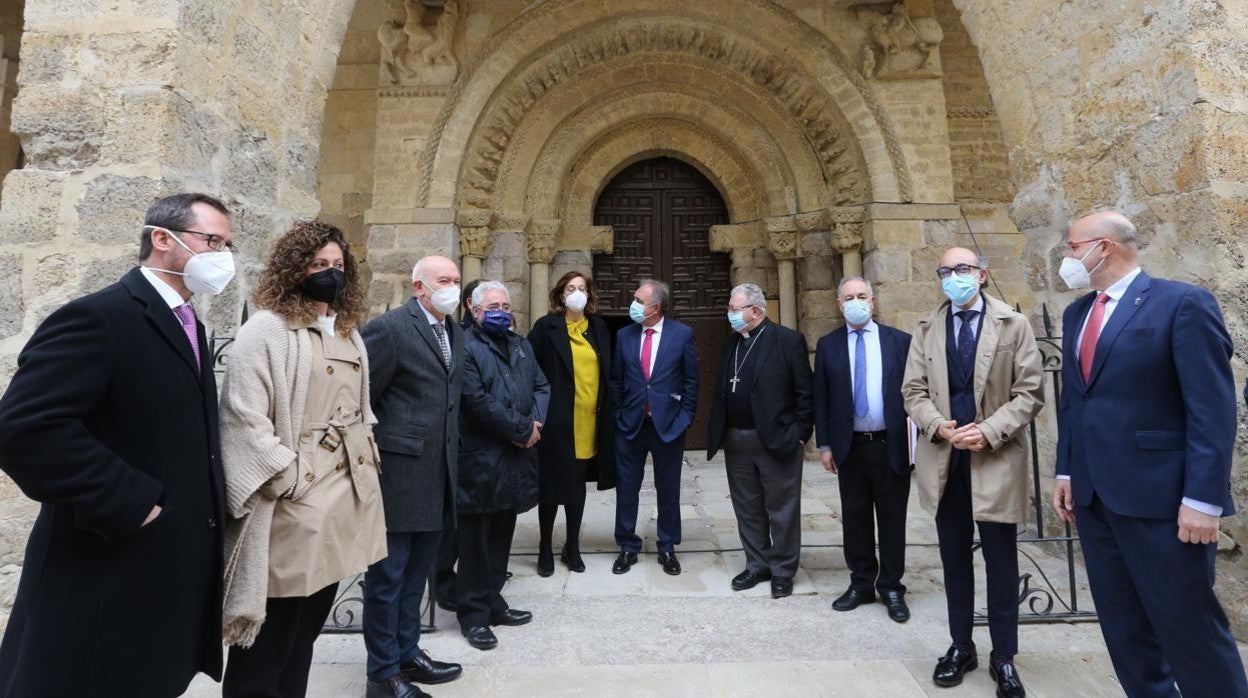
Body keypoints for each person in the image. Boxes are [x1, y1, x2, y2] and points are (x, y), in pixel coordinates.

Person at [0, 193, 233, 697]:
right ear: (162, 239)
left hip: (163, 569)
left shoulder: (190, 323)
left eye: (227, 244)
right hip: (106, 561)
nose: (223, 256)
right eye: (211, 240)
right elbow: (25, 427)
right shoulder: (100, 317)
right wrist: (132, 501)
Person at [1053, 211, 1248, 697]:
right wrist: (1066, 471)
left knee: (1189, 629)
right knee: (1125, 631)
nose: (1067, 257)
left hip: (1164, 504)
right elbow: (1077, 401)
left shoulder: (1181, 304)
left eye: (1073, 247)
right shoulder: (1077, 313)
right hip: (1097, 501)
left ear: (1105, 247)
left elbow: (1212, 410)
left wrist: (1203, 501)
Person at [218, 220, 388, 697]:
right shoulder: (266, 331)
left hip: (344, 497)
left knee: (307, 635)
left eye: (337, 265)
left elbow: (362, 407)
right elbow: (242, 421)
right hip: (293, 503)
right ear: (295, 270)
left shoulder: (348, 332)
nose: (329, 274)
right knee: (271, 638)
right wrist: (287, 477)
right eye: (318, 265)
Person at [902, 247, 1043, 698]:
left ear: (982, 275)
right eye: (945, 271)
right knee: (954, 560)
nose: (952, 277)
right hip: (946, 457)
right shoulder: (927, 326)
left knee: (1001, 562)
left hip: (995, 456)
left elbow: (1029, 392)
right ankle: (961, 646)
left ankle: (1004, 656)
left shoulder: (1012, 324)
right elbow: (912, 389)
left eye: (961, 269)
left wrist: (988, 431)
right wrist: (936, 424)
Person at [360, 256, 465, 697]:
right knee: (388, 579)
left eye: (457, 280)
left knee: (418, 573)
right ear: (419, 287)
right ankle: (382, 674)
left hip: (438, 474)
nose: (453, 287)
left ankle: (407, 653)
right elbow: (362, 397)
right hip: (399, 474)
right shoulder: (391, 328)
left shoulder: (453, 330)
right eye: (444, 280)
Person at [813, 277, 913, 622]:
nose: (856, 302)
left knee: (892, 518)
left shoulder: (899, 341)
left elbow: (915, 394)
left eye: (862, 296)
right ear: (839, 304)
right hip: (850, 447)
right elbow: (821, 398)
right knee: (854, 519)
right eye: (848, 297)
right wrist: (825, 444)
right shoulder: (828, 345)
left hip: (891, 444)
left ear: (873, 301)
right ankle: (861, 583)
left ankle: (891, 587)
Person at [456, 281, 549, 650]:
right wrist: (520, 428)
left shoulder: (521, 345)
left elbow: (542, 386)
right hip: (480, 459)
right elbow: (475, 400)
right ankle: (473, 615)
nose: (502, 311)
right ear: (475, 310)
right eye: (493, 305)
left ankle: (494, 601)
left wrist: (534, 425)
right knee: (475, 541)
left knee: (501, 535)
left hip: (514, 459)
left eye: (506, 305)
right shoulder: (466, 346)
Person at [706, 283, 812, 599]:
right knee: (747, 507)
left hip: (776, 440)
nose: (730, 314)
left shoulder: (786, 340)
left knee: (782, 509)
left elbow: (805, 393)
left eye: (734, 308)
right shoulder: (733, 344)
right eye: (729, 308)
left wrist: (798, 436)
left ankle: (782, 570)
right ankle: (757, 564)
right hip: (737, 439)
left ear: (755, 310)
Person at [528, 271, 616, 576]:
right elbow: (530, 372)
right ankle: (544, 548)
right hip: (556, 421)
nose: (576, 292)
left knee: (577, 486)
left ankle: (572, 546)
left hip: (589, 420)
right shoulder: (546, 327)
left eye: (582, 288)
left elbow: (607, 372)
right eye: (570, 288)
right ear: (560, 295)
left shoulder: (599, 327)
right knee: (551, 486)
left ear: (589, 295)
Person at [434, 278, 480, 613]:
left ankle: (474, 574)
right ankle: (442, 581)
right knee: (450, 520)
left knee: (470, 518)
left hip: (477, 441)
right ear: (469, 304)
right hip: (454, 436)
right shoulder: (453, 334)